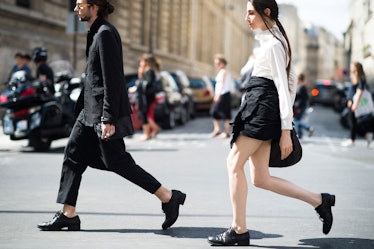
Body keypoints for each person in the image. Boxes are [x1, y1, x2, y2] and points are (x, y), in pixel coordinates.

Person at [37, 0, 186, 232]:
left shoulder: (106, 33)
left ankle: (168, 196)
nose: (75, 9)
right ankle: (68, 213)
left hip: (99, 113)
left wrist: (108, 118)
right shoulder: (95, 32)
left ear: (94, 5)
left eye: (79, 5)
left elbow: (113, 79)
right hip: (88, 111)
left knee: (117, 162)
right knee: (73, 156)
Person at [208, 0, 335, 246]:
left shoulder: (274, 45)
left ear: (266, 13)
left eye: (251, 13)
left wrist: (286, 129)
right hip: (260, 107)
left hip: (262, 110)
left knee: (233, 163)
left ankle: (238, 229)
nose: (247, 18)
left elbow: (284, 87)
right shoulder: (271, 42)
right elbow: (290, 81)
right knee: (260, 178)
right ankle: (320, 200)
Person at [341, 62, 373, 147]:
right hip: (352, 102)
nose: (350, 68)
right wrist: (349, 100)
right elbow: (352, 91)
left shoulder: (361, 78)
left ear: (356, 68)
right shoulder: (354, 77)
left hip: (356, 103)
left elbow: (360, 91)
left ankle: (353, 140)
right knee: (353, 122)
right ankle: (359, 137)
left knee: (354, 122)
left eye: (352, 66)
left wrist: (355, 103)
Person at [136, 53, 161, 140]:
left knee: (144, 114)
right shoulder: (148, 71)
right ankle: (152, 130)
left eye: (142, 61)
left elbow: (146, 84)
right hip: (146, 96)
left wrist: (140, 74)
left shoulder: (149, 71)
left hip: (146, 97)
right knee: (144, 114)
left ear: (146, 62)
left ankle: (148, 133)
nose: (140, 63)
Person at [210, 54, 233, 138]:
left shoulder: (224, 72)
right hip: (222, 94)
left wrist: (218, 95)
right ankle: (218, 129)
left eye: (218, 63)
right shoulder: (222, 71)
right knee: (215, 112)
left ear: (222, 63)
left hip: (223, 94)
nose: (216, 65)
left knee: (224, 113)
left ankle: (226, 132)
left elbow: (222, 85)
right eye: (215, 63)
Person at [294, 73, 314, 139]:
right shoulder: (302, 87)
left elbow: (302, 98)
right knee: (298, 119)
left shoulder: (301, 87)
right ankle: (300, 134)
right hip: (302, 106)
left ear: (299, 79)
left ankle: (308, 128)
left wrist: (299, 107)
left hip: (300, 106)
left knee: (296, 120)